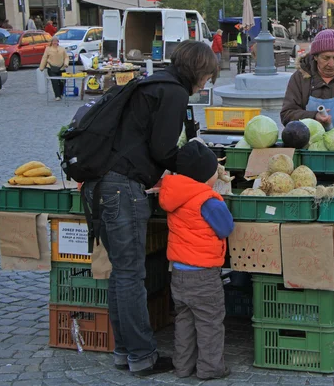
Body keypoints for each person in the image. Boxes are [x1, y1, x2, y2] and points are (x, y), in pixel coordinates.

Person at [83, 41, 219, 377]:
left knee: (121, 273)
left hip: (101, 184)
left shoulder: (153, 82)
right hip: (122, 187)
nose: (206, 83)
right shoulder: (172, 92)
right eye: (206, 76)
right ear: (197, 69)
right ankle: (142, 356)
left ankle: (124, 352)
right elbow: (162, 148)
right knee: (130, 274)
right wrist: (196, 167)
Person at [159, 141, 234, 381]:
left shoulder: (174, 194)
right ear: (205, 175)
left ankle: (182, 366)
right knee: (209, 322)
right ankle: (210, 368)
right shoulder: (207, 200)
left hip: (179, 272)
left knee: (184, 321)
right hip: (203, 274)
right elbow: (225, 228)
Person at [39, 37, 69, 101]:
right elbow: (44, 58)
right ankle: (57, 96)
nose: (55, 42)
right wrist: (41, 67)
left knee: (62, 82)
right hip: (51, 68)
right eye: (54, 41)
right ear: (52, 42)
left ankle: (60, 93)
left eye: (56, 41)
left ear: (58, 42)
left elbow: (66, 57)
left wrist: (66, 63)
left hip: (61, 68)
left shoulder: (62, 49)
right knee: (54, 82)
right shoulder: (48, 49)